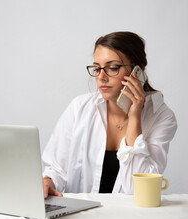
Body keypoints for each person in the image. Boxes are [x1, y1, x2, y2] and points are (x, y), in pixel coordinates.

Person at [42, 31, 177, 197]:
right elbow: (56, 169)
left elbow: (139, 190)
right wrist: (48, 181)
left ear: (137, 71)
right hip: (80, 218)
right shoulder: (80, 107)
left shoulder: (161, 116)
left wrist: (134, 118)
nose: (101, 77)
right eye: (97, 68)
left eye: (112, 68)